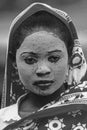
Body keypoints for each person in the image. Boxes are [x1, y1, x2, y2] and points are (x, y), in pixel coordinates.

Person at [0, 2, 87, 130]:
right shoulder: (4, 121)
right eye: (30, 60)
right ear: (14, 62)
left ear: (70, 58)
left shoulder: (83, 110)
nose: (43, 70)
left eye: (54, 58)